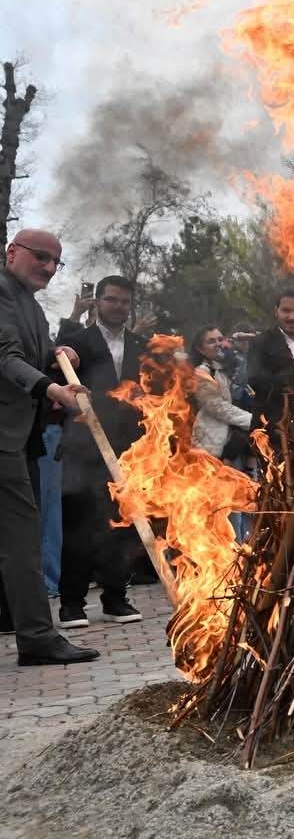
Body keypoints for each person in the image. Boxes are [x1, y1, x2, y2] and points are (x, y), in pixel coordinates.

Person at [0, 229, 99, 665]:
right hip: (4, 438)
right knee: (22, 540)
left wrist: (56, 355)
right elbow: (5, 359)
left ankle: (34, 633)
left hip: (22, 439)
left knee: (20, 537)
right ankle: (38, 638)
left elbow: (25, 354)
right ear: (12, 253)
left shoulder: (32, 309)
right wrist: (51, 388)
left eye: (55, 261)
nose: (48, 267)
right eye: (40, 256)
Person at [53, 276, 147, 629]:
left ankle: (115, 597)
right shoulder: (78, 341)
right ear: (98, 303)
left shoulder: (141, 344)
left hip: (128, 448)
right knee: (78, 523)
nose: (118, 307)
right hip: (84, 444)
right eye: (111, 300)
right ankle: (72, 603)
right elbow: (59, 372)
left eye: (124, 301)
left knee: (121, 525)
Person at [189, 326, 258, 460]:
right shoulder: (202, 372)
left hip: (230, 444)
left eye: (220, 339)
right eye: (211, 341)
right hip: (208, 447)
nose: (218, 344)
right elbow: (217, 407)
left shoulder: (223, 369)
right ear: (200, 349)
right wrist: (253, 420)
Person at [249, 288, 294, 444]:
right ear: (276, 311)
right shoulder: (261, 343)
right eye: (286, 311)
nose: (292, 317)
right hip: (273, 430)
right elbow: (254, 380)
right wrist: (293, 376)